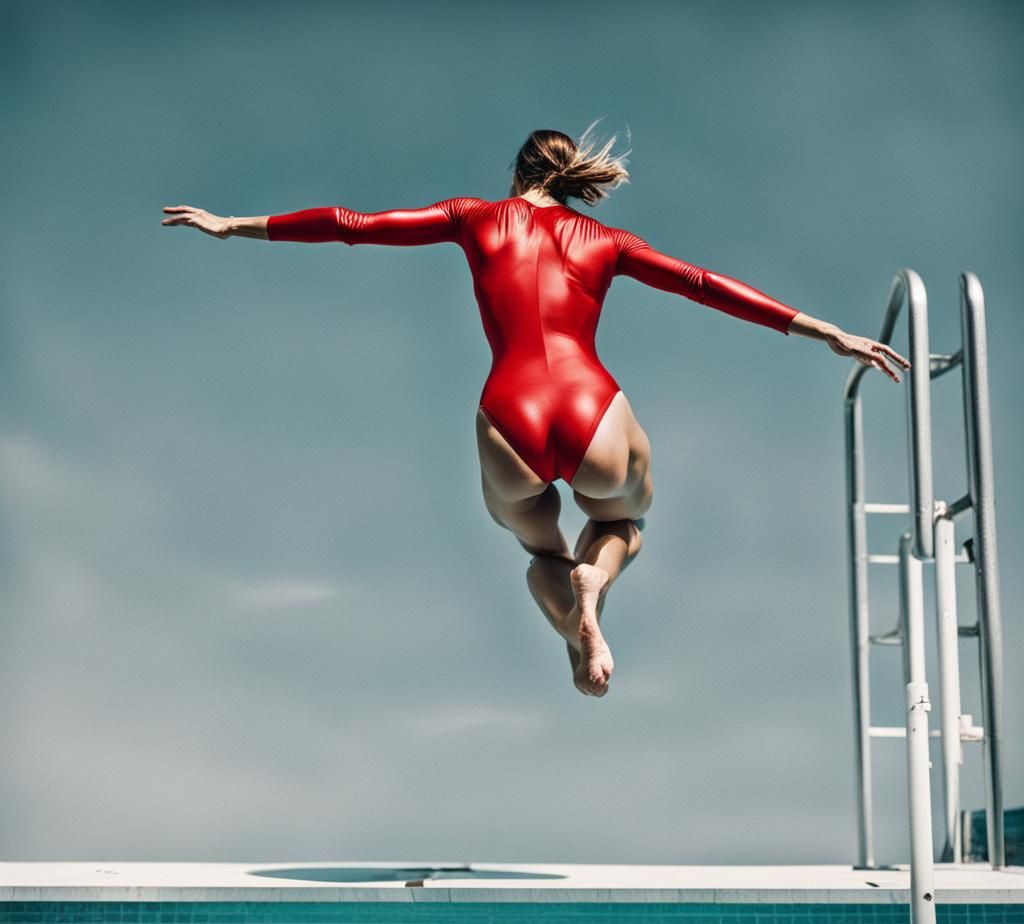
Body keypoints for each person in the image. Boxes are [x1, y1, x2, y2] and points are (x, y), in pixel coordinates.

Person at [161, 122, 910, 699]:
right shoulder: (606, 239)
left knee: (540, 556)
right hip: (591, 406)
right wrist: (828, 332)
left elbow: (352, 224)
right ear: (570, 179)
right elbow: (705, 284)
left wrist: (237, 224)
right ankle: (599, 584)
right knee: (622, 523)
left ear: (516, 173)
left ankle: (575, 622)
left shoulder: (472, 217)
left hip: (507, 415)